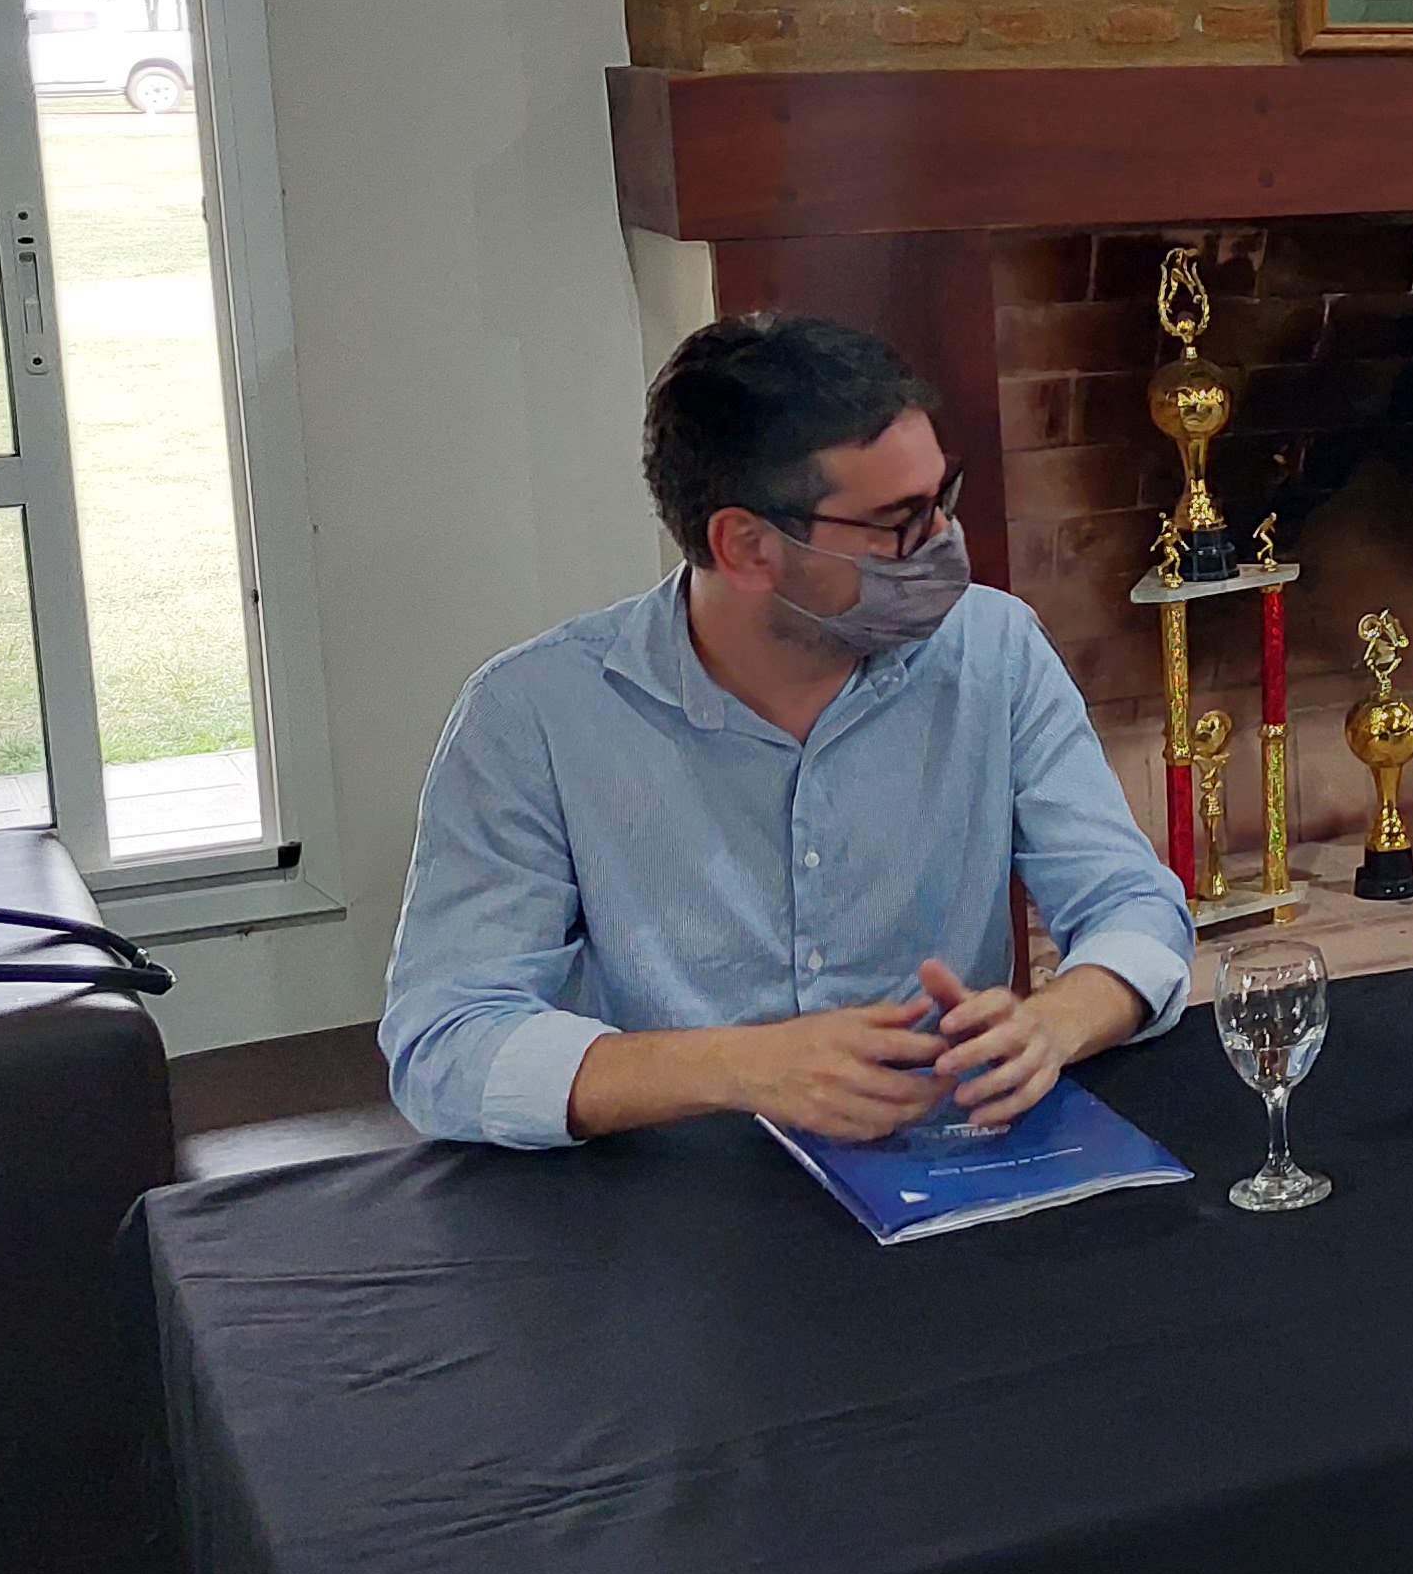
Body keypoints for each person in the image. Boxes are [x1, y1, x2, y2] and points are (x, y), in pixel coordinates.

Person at [379, 315, 1193, 1150]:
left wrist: (1053, 1023)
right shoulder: (533, 716)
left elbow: (1133, 904)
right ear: (745, 546)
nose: (945, 542)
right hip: (674, 1188)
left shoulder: (995, 651)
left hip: (950, 1160)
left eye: (943, 500)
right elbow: (444, 1043)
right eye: (900, 522)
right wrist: (743, 1067)